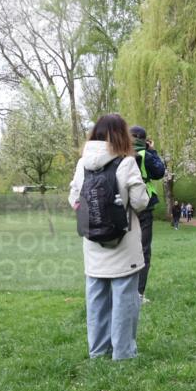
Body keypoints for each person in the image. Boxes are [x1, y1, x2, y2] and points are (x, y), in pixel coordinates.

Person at [68, 114, 149, 360]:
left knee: (96, 301)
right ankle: (123, 353)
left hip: (93, 243)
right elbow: (140, 202)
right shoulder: (126, 162)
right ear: (121, 134)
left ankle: (97, 351)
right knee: (125, 301)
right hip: (123, 243)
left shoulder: (83, 163)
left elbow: (74, 199)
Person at [128, 126, 166, 304]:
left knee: (124, 247)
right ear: (144, 139)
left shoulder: (119, 153)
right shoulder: (146, 155)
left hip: (124, 205)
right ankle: (138, 293)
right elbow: (159, 172)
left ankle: (121, 289)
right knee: (143, 249)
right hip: (144, 203)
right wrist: (153, 151)